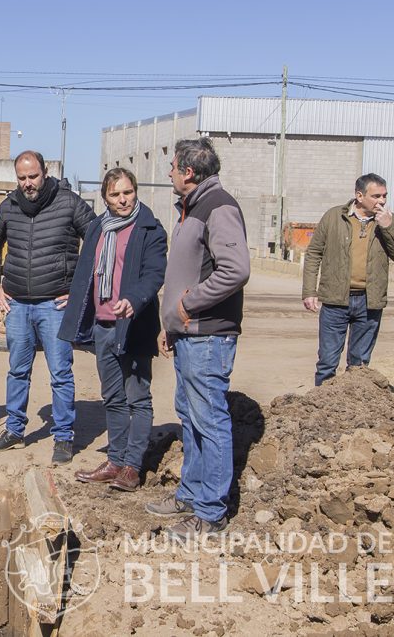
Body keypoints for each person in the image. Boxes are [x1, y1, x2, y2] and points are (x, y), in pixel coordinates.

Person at [146, 138, 250, 542]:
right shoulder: (191, 208)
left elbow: (235, 270)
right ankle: (191, 495)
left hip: (208, 336)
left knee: (209, 420)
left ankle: (211, 514)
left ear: (188, 172)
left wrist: (187, 306)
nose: (169, 172)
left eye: (172, 166)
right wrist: (171, 323)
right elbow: (186, 272)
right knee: (190, 417)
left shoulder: (218, 206)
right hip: (189, 334)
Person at [0, 151, 95, 465]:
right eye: (22, 178)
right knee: (18, 371)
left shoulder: (69, 203)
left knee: (60, 373)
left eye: (33, 176)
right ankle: (14, 431)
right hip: (17, 305)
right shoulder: (9, 206)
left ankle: (63, 437)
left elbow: (98, 240)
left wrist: (80, 289)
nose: (28, 183)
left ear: (44, 172)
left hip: (55, 305)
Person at [59, 168, 167, 491]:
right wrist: (76, 297)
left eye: (128, 192)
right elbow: (87, 272)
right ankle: (115, 461)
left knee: (138, 398)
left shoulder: (150, 229)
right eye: (115, 194)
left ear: (135, 191)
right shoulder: (98, 228)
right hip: (104, 326)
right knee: (113, 398)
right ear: (105, 197)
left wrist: (134, 299)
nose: (123, 199)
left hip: (134, 325)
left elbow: (154, 273)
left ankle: (133, 467)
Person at [302, 173, 394, 386]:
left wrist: (388, 227)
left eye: (384, 196)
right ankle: (323, 409)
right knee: (327, 363)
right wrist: (309, 291)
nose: (382, 201)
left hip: (369, 302)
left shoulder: (389, 220)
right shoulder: (334, 217)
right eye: (376, 196)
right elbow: (314, 253)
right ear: (359, 196)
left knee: (359, 365)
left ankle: (353, 413)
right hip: (335, 301)